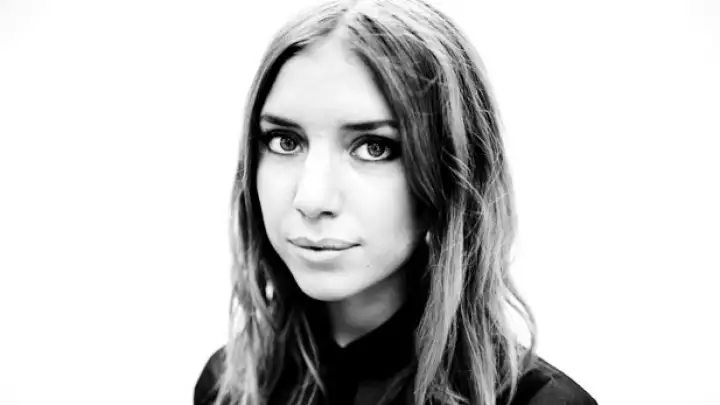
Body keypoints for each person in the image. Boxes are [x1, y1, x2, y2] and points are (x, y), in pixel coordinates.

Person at [195, 0, 597, 404]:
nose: (312, 199)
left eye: (373, 147)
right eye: (285, 141)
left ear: (450, 171)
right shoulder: (229, 384)